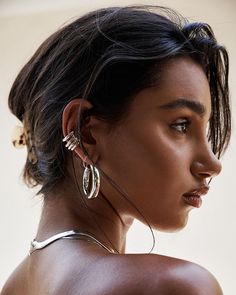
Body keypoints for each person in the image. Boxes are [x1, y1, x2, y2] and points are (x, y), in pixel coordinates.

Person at [1, 5, 231, 295]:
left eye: (206, 130)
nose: (212, 163)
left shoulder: (14, 287)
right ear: (85, 131)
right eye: (181, 125)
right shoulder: (174, 286)